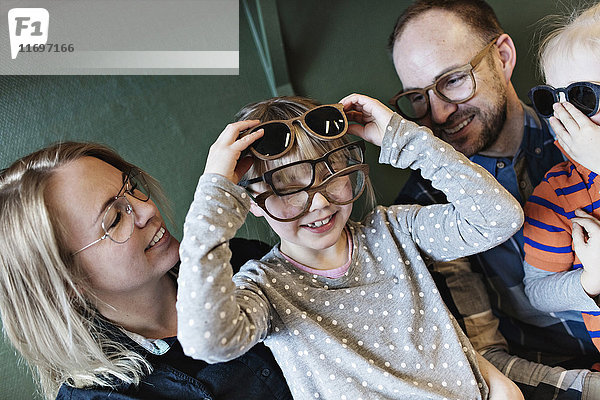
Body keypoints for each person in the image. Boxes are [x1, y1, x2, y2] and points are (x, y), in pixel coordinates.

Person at [176, 94, 525, 399]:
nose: (318, 204)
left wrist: (405, 139)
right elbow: (207, 341)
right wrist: (215, 195)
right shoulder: (265, 288)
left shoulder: (392, 230)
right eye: (287, 188)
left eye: (330, 174)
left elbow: (498, 219)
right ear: (249, 200)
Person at [388, 0, 600, 397]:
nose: (437, 113)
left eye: (451, 80)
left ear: (502, 57)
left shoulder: (583, 126)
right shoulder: (427, 209)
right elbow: (486, 356)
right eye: (417, 97)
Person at [0, 142, 292, 400]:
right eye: (115, 219)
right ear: (68, 282)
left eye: (132, 188)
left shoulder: (239, 260)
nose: (146, 210)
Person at [522, 3, 600, 356]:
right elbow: (538, 290)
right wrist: (592, 278)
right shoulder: (558, 192)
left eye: (584, 96)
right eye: (553, 99)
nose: (566, 114)